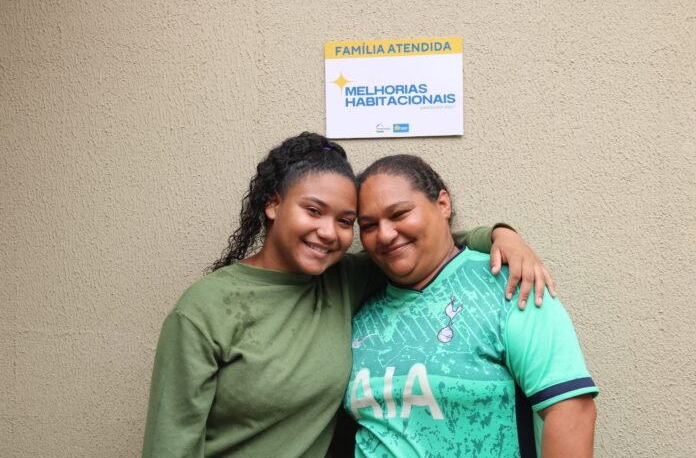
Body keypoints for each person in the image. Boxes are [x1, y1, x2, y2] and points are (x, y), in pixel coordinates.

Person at [142, 133, 555, 458]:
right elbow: (171, 444)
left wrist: (500, 236)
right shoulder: (203, 309)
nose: (329, 232)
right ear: (273, 204)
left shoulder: (344, 279)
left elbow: (426, 246)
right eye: (313, 211)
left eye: (345, 221)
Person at [345, 154, 598, 458]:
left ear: (443, 204)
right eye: (369, 225)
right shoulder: (359, 308)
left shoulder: (509, 284)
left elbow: (571, 412)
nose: (384, 234)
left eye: (399, 214)